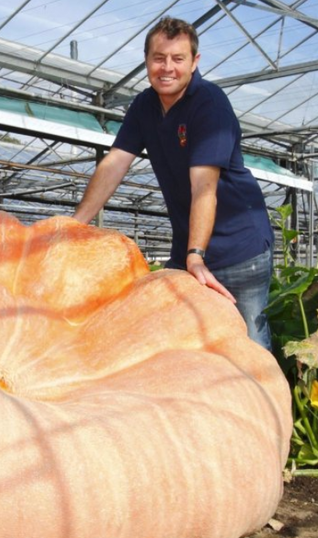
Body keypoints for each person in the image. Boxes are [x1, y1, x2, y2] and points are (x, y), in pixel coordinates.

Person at [72, 17, 273, 350]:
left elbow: (204, 188)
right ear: (147, 60)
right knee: (177, 340)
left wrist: (196, 256)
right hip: (187, 248)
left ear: (194, 62)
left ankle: (271, 403)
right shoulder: (144, 106)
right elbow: (115, 163)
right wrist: (76, 223)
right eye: (158, 58)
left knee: (248, 343)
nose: (167, 68)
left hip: (239, 249)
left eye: (178, 59)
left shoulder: (210, 104)